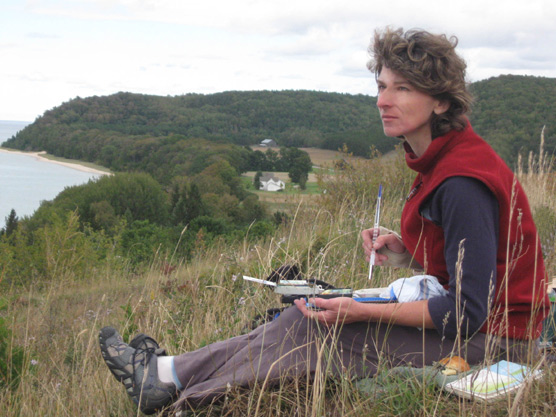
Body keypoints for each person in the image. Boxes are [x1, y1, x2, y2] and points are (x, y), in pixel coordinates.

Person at [99, 27, 550, 415]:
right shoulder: (442, 160)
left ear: (439, 102)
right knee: (302, 313)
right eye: (381, 86)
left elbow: (467, 313)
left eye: (402, 89)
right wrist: (408, 254)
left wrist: (359, 310)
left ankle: (180, 394)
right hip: (486, 326)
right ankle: (166, 373)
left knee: (315, 328)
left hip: (498, 342)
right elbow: (474, 261)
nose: (383, 101)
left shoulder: (461, 181)